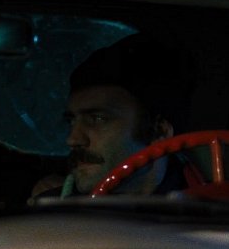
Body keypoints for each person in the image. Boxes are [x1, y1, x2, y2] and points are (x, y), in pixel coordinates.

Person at [32, 32, 199, 198]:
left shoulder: (205, 206)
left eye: (97, 119)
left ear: (159, 132)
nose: (72, 139)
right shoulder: (51, 208)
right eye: (72, 121)